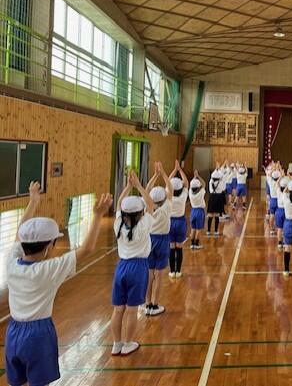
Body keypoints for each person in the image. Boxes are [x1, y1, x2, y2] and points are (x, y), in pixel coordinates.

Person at [4, 182, 111, 386]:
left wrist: (33, 202)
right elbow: (87, 249)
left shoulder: (11, 263)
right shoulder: (49, 270)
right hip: (38, 336)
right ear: (49, 246)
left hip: (13, 332)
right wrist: (98, 215)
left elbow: (20, 233)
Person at [111, 171, 155, 356]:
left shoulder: (118, 224)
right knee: (131, 309)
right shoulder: (143, 225)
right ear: (140, 212)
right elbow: (151, 205)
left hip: (121, 267)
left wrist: (128, 187)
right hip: (138, 268)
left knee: (118, 309)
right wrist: (138, 186)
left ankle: (116, 344)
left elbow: (119, 205)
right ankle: (128, 343)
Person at [144, 161, 173, 316]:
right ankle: (155, 304)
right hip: (162, 240)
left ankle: (147, 304)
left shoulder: (147, 208)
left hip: (149, 240)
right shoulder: (167, 207)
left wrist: (155, 175)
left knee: (149, 274)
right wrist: (163, 174)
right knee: (159, 275)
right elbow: (171, 189)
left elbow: (147, 189)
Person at [168, 160, 189, 278]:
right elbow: (186, 183)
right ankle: (178, 271)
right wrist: (180, 169)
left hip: (170, 222)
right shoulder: (183, 196)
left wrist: (174, 170)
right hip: (180, 222)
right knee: (179, 247)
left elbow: (167, 182)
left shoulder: (168, 196)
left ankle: (172, 272)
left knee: (172, 247)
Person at [188, 170, 206, 250]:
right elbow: (204, 184)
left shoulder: (190, 193)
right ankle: (196, 244)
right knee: (198, 229)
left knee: (193, 228)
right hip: (200, 211)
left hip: (193, 211)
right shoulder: (201, 192)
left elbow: (191, 185)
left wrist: (194, 177)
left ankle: (192, 244)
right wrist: (198, 176)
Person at [207, 168, 227, 237]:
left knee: (210, 215)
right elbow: (224, 188)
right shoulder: (221, 182)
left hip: (212, 197)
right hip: (218, 198)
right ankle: (216, 231)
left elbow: (213, 177)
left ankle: (208, 231)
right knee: (217, 215)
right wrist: (219, 172)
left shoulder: (210, 182)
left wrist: (216, 170)